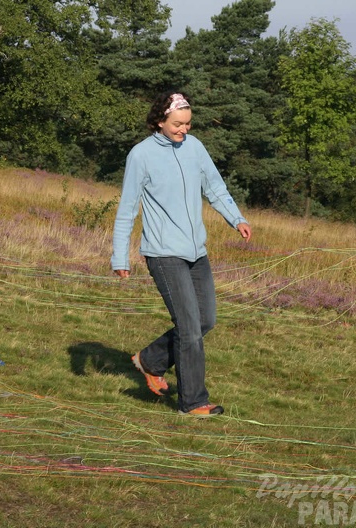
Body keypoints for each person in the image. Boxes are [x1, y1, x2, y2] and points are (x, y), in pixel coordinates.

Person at [111, 91, 251, 418]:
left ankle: (151, 360)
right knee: (188, 328)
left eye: (188, 124)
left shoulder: (195, 147)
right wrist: (120, 257)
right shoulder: (141, 155)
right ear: (160, 120)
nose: (183, 130)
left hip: (195, 252)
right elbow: (127, 208)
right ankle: (192, 402)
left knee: (206, 320)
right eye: (177, 124)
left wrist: (237, 218)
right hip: (163, 253)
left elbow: (215, 187)